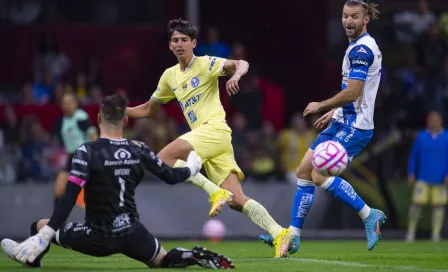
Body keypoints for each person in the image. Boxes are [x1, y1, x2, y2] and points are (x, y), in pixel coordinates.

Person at [1, 94, 234, 270]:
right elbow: (171, 177)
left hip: (97, 237)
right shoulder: (139, 149)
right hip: (132, 233)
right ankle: (194, 256)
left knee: (38, 225)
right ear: (125, 120)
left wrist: (47, 233)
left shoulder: (86, 151)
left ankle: (32, 256)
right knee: (163, 260)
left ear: (99, 117)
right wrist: (192, 167)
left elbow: (70, 197)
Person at [126, 18, 293, 257]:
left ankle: (214, 192)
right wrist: (123, 112)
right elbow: (148, 109)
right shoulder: (169, 76)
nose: (180, 44)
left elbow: (241, 63)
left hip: (214, 130)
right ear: (170, 46)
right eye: (175, 40)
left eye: (185, 40)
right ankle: (279, 233)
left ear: (194, 43)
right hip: (211, 140)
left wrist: (235, 76)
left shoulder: (205, 64)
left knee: (163, 157)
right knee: (237, 199)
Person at [260, 0, 386, 253]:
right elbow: (358, 94)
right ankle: (293, 236)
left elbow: (353, 92)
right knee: (303, 172)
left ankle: (369, 214)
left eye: (354, 17)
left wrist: (321, 104)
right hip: (343, 119)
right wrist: (335, 110)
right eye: (345, 16)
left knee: (320, 174)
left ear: (366, 19)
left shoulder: (361, 50)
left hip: (356, 125)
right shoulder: (356, 46)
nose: (348, 21)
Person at [406, 110, 448, 243]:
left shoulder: (446, 137)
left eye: (436, 119)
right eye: (431, 119)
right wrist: (411, 172)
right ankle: (411, 233)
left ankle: (435, 235)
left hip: (440, 178)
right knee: (417, 204)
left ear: (441, 120)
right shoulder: (421, 136)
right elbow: (414, 156)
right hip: (422, 177)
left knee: (439, 205)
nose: (433, 121)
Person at [52, 93, 97, 208]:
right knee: (58, 189)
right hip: (71, 157)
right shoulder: (63, 121)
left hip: (84, 157)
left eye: (70, 103)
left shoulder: (81, 117)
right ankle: (56, 223)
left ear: (76, 104)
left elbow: (93, 134)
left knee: (91, 194)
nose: (67, 106)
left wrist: (97, 155)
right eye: (64, 103)